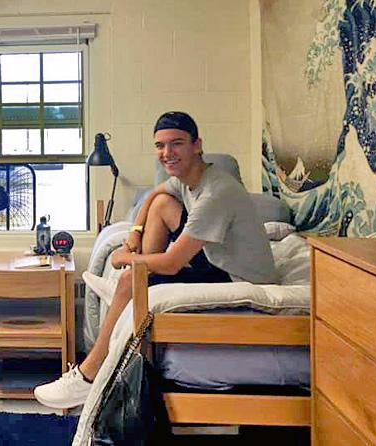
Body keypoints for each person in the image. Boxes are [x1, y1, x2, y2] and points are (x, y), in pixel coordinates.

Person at [34, 111, 278, 409]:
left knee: (127, 276)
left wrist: (125, 259)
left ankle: (90, 375)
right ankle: (135, 288)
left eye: (176, 144)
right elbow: (154, 196)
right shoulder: (188, 179)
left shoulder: (216, 192)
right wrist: (135, 234)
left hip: (239, 279)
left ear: (197, 145)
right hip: (217, 259)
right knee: (162, 204)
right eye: (160, 146)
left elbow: (174, 263)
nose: (167, 153)